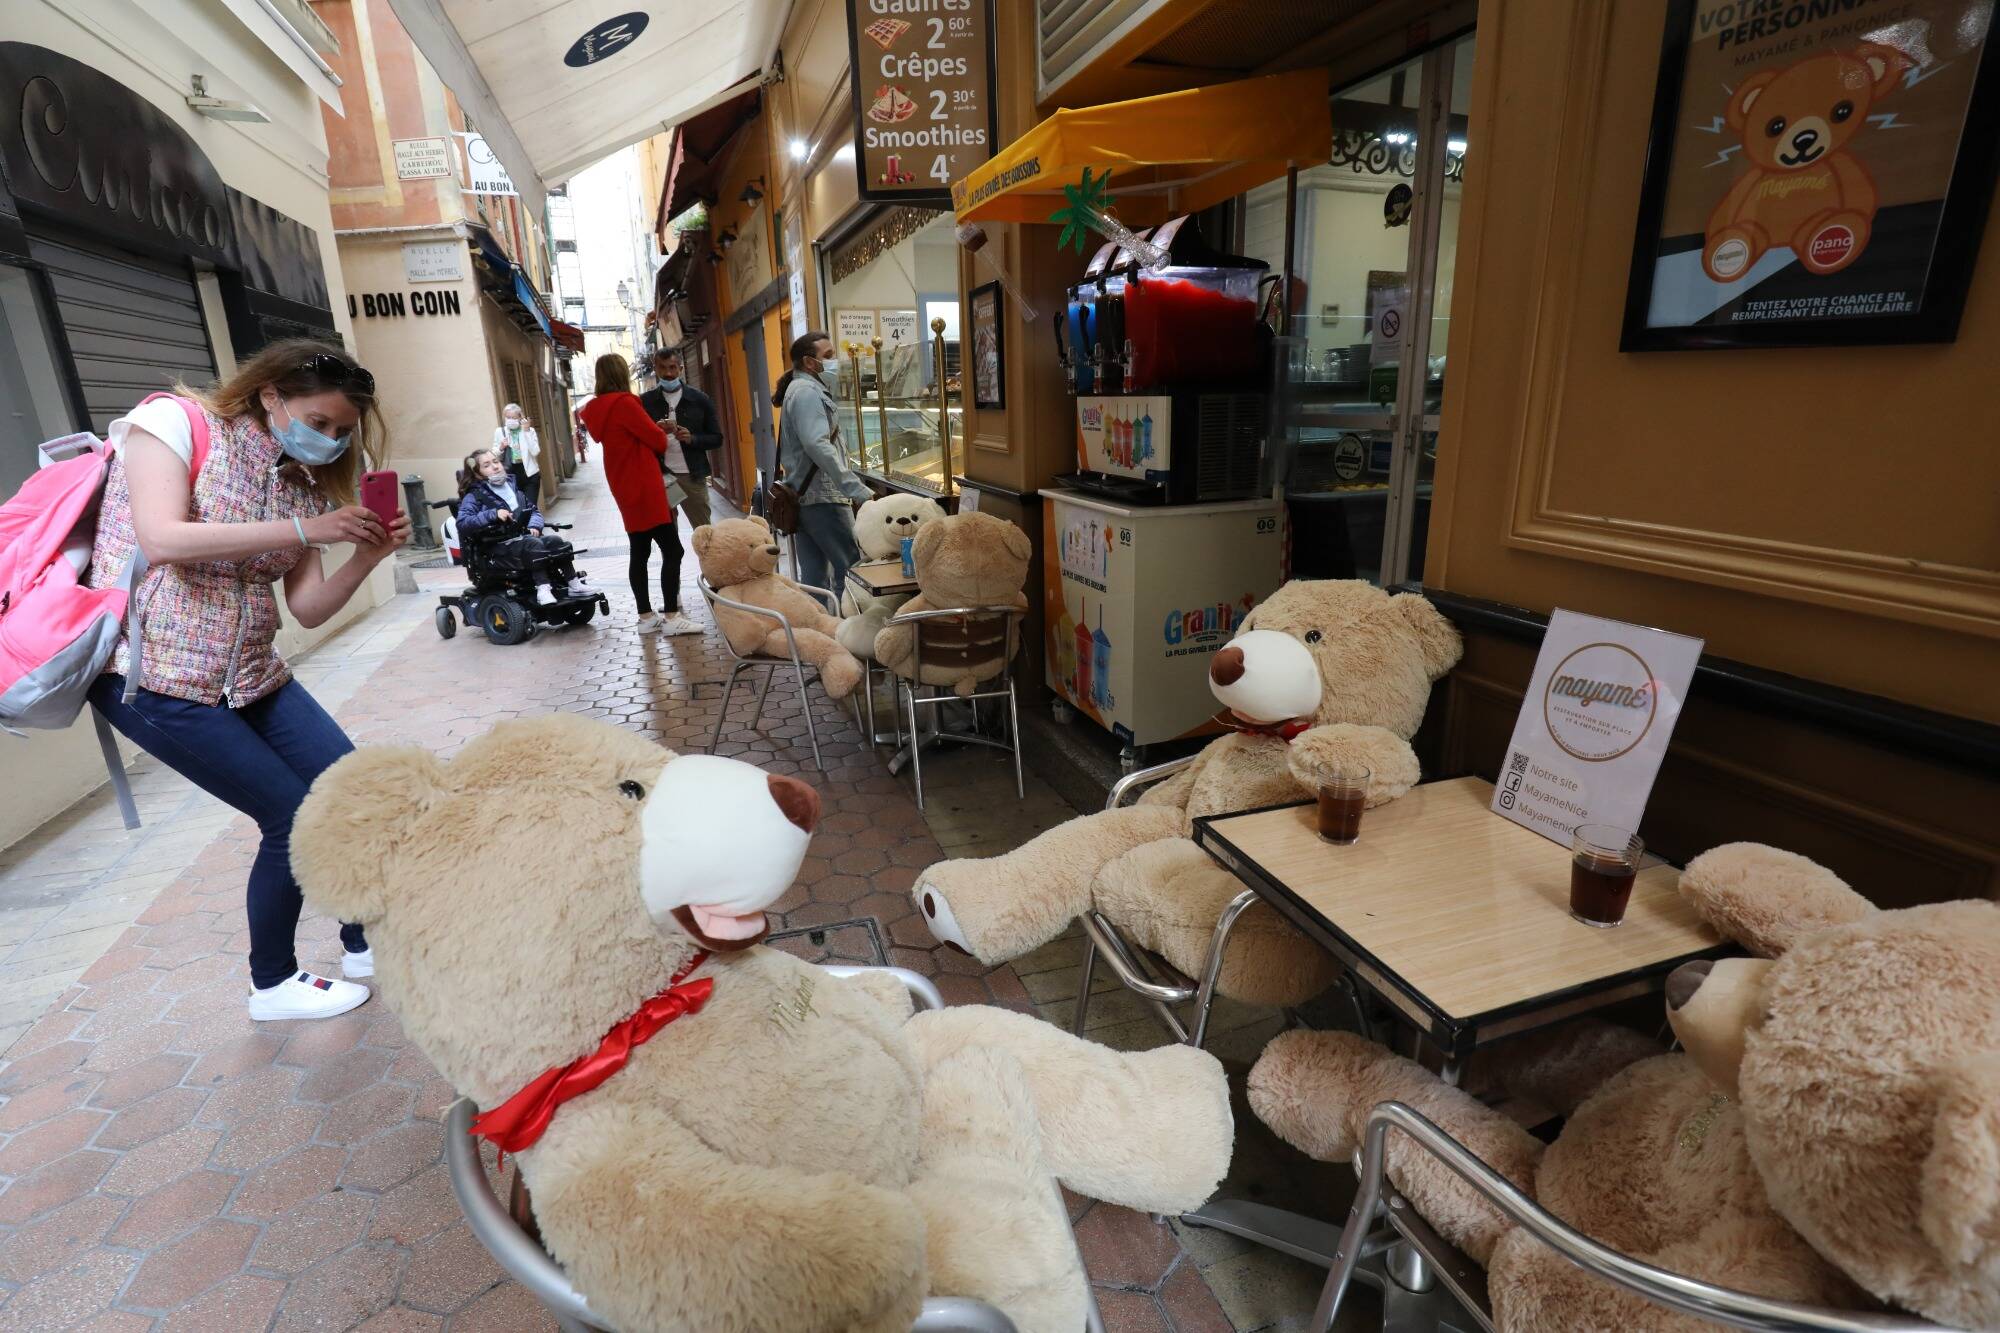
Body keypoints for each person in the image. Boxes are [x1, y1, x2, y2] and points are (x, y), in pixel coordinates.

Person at [84, 339, 410, 1023]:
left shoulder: (301, 482)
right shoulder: (172, 424)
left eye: (342, 431)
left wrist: (366, 556)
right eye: (318, 422)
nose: (328, 439)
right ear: (271, 395)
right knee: (290, 815)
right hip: (155, 678)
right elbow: (163, 535)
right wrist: (304, 525)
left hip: (254, 673)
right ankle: (273, 982)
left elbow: (308, 606)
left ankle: (361, 942)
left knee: (350, 789)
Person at [578, 354, 699, 636]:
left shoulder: (597, 409)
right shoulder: (625, 403)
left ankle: (645, 615)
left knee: (640, 550)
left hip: (623, 484)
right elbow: (657, 441)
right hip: (645, 485)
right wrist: (658, 430)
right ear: (621, 374)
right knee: (673, 550)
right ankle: (671, 616)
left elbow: (625, 437)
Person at [774, 331, 870, 598]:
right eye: (828, 356)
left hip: (804, 497)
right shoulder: (807, 392)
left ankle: (819, 631)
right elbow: (817, 444)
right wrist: (855, 488)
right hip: (824, 498)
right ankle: (845, 632)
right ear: (809, 362)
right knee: (850, 572)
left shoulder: (798, 388)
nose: (834, 360)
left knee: (815, 576)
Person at [456, 449, 571, 598]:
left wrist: (534, 525)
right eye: (487, 465)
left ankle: (573, 582)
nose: (495, 466)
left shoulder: (512, 488)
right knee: (533, 544)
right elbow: (463, 522)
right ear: (477, 473)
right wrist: (493, 514)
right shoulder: (474, 495)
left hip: (521, 539)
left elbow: (533, 510)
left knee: (556, 541)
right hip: (496, 546)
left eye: (496, 461)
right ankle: (543, 588)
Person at [637, 349, 721, 531]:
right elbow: (637, 442)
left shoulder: (700, 399)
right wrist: (654, 432)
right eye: (662, 368)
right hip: (661, 477)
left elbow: (717, 438)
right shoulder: (645, 402)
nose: (668, 373)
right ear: (655, 369)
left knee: (705, 534)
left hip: (693, 476)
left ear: (681, 368)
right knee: (668, 539)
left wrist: (692, 439)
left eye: (672, 368)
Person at [493, 404, 540, 499]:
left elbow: (535, 451)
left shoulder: (530, 431)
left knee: (531, 507)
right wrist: (501, 447)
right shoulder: (500, 432)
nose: (510, 420)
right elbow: (493, 454)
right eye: (508, 417)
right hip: (510, 474)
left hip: (529, 473)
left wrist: (526, 432)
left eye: (513, 417)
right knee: (517, 509)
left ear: (520, 417)